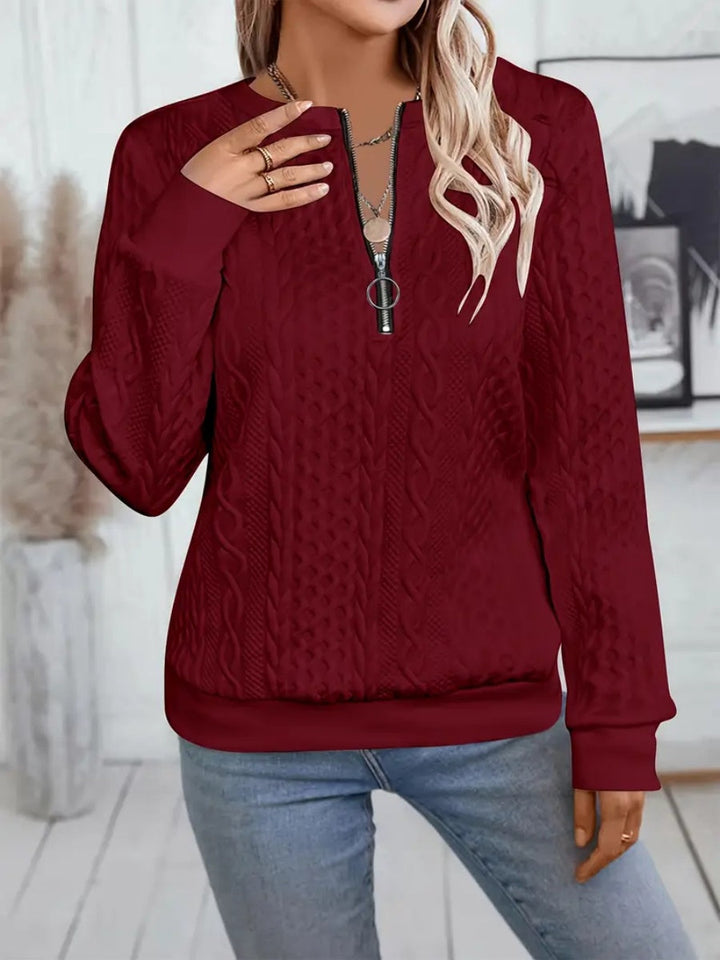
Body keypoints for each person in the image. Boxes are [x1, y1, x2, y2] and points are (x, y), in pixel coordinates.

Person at [63, 0, 698, 957]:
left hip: (500, 717)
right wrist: (188, 223)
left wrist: (620, 719)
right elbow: (137, 465)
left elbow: (589, 456)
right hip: (256, 737)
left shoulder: (538, 132)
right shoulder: (171, 153)